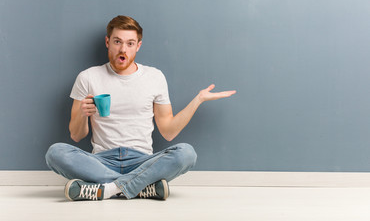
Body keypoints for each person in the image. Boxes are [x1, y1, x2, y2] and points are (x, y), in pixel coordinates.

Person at [45, 15, 236, 201]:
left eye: (130, 43)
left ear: (138, 46)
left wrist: (199, 99)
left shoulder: (154, 77)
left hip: (143, 161)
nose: (123, 49)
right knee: (55, 153)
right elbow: (76, 135)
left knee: (186, 154)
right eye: (117, 41)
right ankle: (142, 188)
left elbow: (168, 132)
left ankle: (108, 189)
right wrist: (83, 113)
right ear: (107, 42)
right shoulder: (87, 77)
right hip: (102, 161)